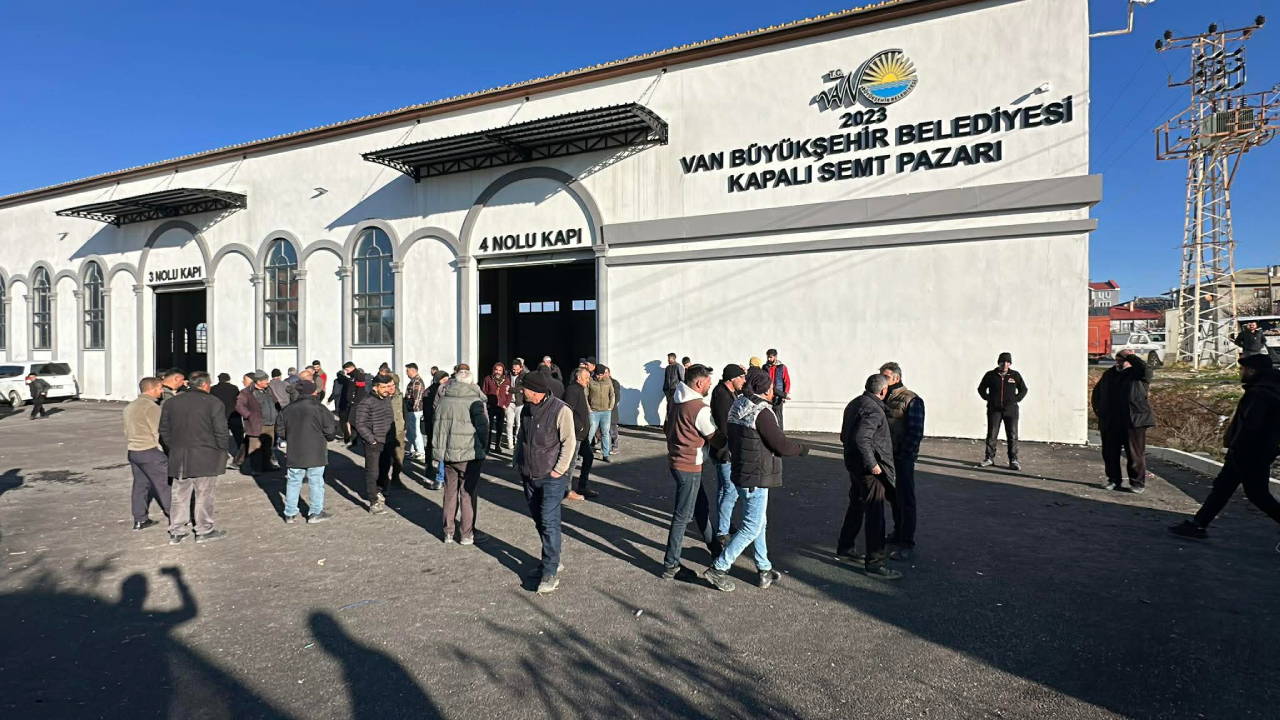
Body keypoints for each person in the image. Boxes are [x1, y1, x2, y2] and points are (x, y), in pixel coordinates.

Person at [703, 371, 808, 592]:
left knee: (760, 523)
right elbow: (780, 444)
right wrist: (801, 448)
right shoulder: (762, 413)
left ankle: (764, 568)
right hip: (756, 476)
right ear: (766, 390)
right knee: (751, 526)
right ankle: (718, 568)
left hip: (741, 471)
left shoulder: (738, 404)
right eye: (771, 388)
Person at [1170, 353, 1280, 540]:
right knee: (1222, 489)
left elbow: (1251, 427)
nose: (1240, 373)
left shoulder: (1259, 394)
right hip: (1256, 451)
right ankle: (1198, 525)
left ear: (1252, 371)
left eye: (1243, 369)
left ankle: (1198, 525)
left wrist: (1237, 448)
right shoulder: (1271, 390)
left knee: (1256, 494)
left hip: (1249, 453)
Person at [515, 371, 577, 594]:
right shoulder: (526, 410)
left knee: (549, 521)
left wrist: (558, 471)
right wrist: (517, 461)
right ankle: (552, 559)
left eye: (525, 389)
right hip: (529, 474)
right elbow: (521, 437)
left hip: (551, 477)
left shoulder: (561, 410)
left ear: (536, 391)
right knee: (539, 519)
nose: (522, 392)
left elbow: (569, 442)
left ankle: (550, 570)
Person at [836, 374, 901, 580]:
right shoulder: (874, 409)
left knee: (856, 504)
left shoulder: (855, 403)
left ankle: (845, 547)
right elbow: (861, 438)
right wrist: (873, 464)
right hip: (869, 469)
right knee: (875, 513)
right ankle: (875, 562)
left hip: (854, 464)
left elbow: (845, 435)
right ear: (883, 391)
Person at [661, 364, 721, 578]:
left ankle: (715, 549)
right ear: (698, 383)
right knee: (682, 516)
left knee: (701, 507)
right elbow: (716, 438)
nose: (710, 385)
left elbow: (666, 428)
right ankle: (671, 565)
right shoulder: (699, 408)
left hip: (677, 462)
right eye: (708, 382)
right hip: (690, 465)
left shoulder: (674, 401)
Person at [159, 373, 232, 544]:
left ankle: (177, 530)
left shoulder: (171, 402)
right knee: (204, 494)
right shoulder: (213, 402)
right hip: (205, 455)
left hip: (179, 455)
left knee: (179, 494)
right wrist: (222, 450)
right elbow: (221, 431)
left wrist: (173, 447)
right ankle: (203, 529)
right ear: (206, 385)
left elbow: (164, 430)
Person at [432, 368, 489, 544]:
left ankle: (448, 532)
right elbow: (483, 428)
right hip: (469, 454)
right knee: (467, 494)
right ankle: (466, 533)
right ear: (471, 383)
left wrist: (437, 452)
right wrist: (483, 449)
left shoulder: (443, 400)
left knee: (450, 492)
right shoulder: (475, 401)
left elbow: (437, 427)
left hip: (448, 453)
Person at [880, 362, 925, 560]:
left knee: (906, 499)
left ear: (896, 378)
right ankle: (898, 532)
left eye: (886, 376)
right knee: (893, 498)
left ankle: (906, 542)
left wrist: (904, 454)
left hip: (902, 458)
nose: (882, 380)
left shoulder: (911, 399)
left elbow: (915, 432)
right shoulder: (884, 397)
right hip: (887, 457)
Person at [1092, 350, 1155, 493]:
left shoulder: (1138, 374)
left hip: (1134, 421)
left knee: (1135, 454)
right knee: (1110, 453)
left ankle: (1137, 483)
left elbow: (1146, 369)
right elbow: (1097, 394)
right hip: (1111, 421)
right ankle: (1113, 480)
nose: (1120, 362)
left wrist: (1130, 356)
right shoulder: (1109, 374)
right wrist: (1101, 413)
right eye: (1118, 359)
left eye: (1124, 359)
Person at [277, 380, 336, 524]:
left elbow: (280, 431)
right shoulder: (320, 408)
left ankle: (290, 513)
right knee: (315, 482)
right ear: (314, 391)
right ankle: (315, 512)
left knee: (293, 482)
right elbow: (330, 431)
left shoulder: (287, 409)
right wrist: (327, 437)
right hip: (315, 451)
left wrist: (291, 436)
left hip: (295, 451)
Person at [123, 376, 170, 530]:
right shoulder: (152, 407)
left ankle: (139, 519)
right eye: (160, 388)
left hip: (134, 451)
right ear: (152, 389)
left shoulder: (130, 407)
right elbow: (159, 431)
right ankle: (176, 518)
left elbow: (126, 430)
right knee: (164, 486)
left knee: (140, 486)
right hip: (150, 452)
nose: (162, 391)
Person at [709, 364, 746, 553]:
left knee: (724, 489)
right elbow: (726, 426)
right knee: (730, 490)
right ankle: (723, 530)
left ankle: (725, 523)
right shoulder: (723, 395)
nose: (744, 381)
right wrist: (732, 449)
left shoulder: (724, 392)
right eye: (742, 377)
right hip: (725, 450)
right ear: (732, 379)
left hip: (721, 449)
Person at [353, 374, 397, 514]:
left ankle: (381, 490)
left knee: (384, 468)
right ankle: (373, 501)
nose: (386, 390)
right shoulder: (367, 402)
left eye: (387, 387)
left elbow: (390, 419)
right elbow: (359, 424)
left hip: (387, 441)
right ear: (375, 387)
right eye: (383, 387)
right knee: (373, 472)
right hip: (373, 442)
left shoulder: (386, 399)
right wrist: (371, 439)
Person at [977, 352, 1028, 470]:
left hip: (1011, 410)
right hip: (994, 410)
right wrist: (988, 398)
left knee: (1012, 435)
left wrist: (1015, 400)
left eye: (1007, 362)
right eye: (1003, 362)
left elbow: (1024, 389)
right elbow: (981, 389)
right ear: (998, 362)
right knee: (992, 434)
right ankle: (989, 458)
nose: (1005, 364)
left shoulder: (1015, 375)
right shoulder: (990, 375)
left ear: (1010, 363)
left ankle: (1013, 460)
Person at [562, 367, 593, 500]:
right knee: (571, 462)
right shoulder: (572, 390)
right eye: (586, 378)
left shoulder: (580, 389)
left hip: (583, 435)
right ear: (578, 378)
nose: (588, 380)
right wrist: (578, 427)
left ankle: (582, 486)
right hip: (575, 433)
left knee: (589, 457)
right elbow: (568, 410)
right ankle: (566, 490)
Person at [587, 365, 616, 462]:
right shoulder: (590, 380)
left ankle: (606, 454)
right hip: (594, 411)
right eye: (598, 375)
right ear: (595, 373)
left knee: (605, 433)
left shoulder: (608, 380)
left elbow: (612, 394)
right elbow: (585, 394)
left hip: (605, 411)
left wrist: (610, 407)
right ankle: (584, 452)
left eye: (601, 375)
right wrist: (588, 408)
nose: (600, 377)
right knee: (590, 432)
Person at [210, 373, 241, 463]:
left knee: (221, 436)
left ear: (219, 379)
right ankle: (241, 453)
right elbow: (238, 400)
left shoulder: (213, 389)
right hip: (233, 414)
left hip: (219, 415)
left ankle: (223, 454)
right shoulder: (234, 388)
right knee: (238, 435)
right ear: (229, 379)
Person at [481, 362, 512, 453]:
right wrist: (486, 404)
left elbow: (509, 394)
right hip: (490, 406)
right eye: (496, 370)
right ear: (493, 370)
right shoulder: (488, 379)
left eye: (500, 370)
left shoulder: (506, 380)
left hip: (501, 406)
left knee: (499, 427)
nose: (497, 372)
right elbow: (484, 392)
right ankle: (487, 446)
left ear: (503, 371)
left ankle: (497, 446)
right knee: (489, 427)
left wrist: (506, 404)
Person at [328, 362, 358, 444]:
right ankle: (352, 437)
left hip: (340, 403)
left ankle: (347, 437)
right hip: (348, 403)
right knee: (349, 420)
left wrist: (330, 399)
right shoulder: (349, 381)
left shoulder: (337, 381)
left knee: (343, 421)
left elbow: (335, 392)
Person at [404, 363, 427, 462]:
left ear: (413, 371)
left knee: (415, 431)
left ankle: (421, 452)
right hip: (412, 410)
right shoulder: (413, 381)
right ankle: (413, 451)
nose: (406, 373)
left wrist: (413, 409)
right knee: (412, 432)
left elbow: (417, 398)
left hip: (415, 411)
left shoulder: (417, 382)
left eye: (407, 370)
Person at [764, 349, 792, 428]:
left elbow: (787, 381)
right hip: (767, 395)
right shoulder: (765, 367)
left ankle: (780, 435)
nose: (769, 359)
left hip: (778, 396)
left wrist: (784, 394)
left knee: (778, 416)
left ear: (775, 357)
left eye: (770, 357)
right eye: (768, 357)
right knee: (767, 416)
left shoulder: (782, 367)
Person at [507, 359, 528, 459]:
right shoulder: (507, 375)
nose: (515, 371)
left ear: (521, 368)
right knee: (509, 423)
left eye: (517, 369)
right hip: (509, 403)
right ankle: (510, 443)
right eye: (513, 369)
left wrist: (510, 390)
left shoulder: (524, 376)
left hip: (520, 403)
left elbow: (522, 389)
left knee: (519, 423)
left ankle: (517, 442)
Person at [662, 353, 684, 419]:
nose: (668, 360)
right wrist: (665, 389)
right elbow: (665, 379)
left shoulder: (678, 366)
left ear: (673, 359)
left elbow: (682, 379)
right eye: (668, 358)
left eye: (669, 358)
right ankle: (669, 425)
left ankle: (673, 425)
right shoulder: (667, 368)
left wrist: (681, 391)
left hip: (675, 390)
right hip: (668, 391)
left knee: (674, 408)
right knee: (669, 407)